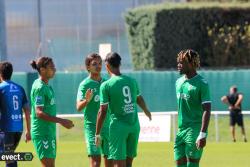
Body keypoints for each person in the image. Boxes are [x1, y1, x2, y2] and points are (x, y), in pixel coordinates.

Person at [95, 52, 152, 167]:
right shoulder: (131, 81)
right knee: (128, 163)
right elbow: (139, 98)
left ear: (107, 66)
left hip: (118, 127)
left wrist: (97, 133)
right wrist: (146, 110)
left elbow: (103, 111)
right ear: (120, 64)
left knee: (118, 163)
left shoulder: (106, 85)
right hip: (134, 125)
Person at [30, 57, 74, 167]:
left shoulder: (46, 85)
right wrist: (61, 121)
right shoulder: (40, 87)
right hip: (42, 133)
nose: (54, 69)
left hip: (49, 132)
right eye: (51, 67)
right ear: (43, 70)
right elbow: (38, 113)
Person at [175, 49, 211, 167]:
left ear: (190, 64)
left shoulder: (202, 83)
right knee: (179, 163)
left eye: (181, 62)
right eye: (178, 62)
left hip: (194, 129)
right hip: (181, 130)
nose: (178, 65)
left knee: (192, 164)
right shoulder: (178, 82)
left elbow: (207, 109)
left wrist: (202, 134)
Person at [76, 53, 111, 167]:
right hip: (92, 127)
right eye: (94, 64)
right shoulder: (84, 85)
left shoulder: (107, 83)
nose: (98, 66)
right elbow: (78, 107)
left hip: (107, 127)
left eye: (100, 63)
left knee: (109, 162)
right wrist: (87, 100)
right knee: (96, 162)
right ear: (88, 67)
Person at [0, 61, 31, 167]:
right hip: (18, 130)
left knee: (8, 157)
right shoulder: (20, 88)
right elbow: (27, 110)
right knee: (10, 155)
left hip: (6, 130)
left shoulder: (1, 88)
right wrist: (28, 130)